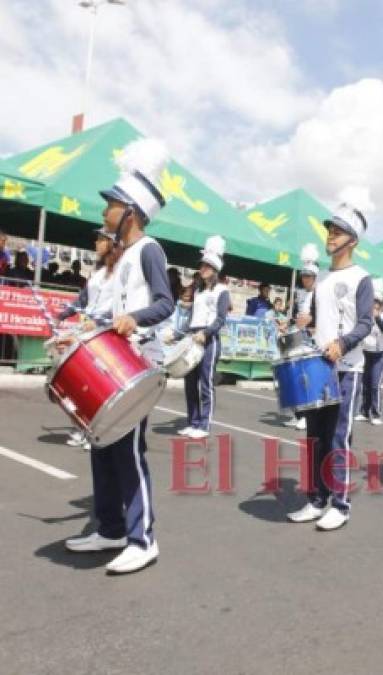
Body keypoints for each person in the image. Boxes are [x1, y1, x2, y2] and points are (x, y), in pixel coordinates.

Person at [64, 138, 174, 575]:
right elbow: (105, 312)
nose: (105, 210)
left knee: (128, 450)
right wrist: (85, 327)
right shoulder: (120, 257)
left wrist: (135, 317)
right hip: (113, 361)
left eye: (111, 204)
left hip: (138, 364)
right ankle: (110, 528)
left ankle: (142, 538)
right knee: (102, 446)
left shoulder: (150, 250)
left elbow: (166, 304)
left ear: (132, 211)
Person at [286, 204, 374, 532]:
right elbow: (317, 322)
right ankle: (316, 499)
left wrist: (343, 343)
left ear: (352, 240)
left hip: (347, 368)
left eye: (337, 231)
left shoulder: (361, 278)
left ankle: (340, 503)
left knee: (338, 437)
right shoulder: (321, 279)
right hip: (318, 367)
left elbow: (366, 323)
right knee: (315, 437)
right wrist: (307, 324)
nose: (330, 235)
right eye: (329, 230)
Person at [56, 228, 122, 450]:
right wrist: (64, 313)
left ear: (111, 244)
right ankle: (81, 427)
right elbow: (83, 299)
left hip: (104, 334)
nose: (95, 242)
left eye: (100, 239)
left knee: (96, 385)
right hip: (86, 330)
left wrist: (101, 321)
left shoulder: (122, 273)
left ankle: (94, 431)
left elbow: (123, 308)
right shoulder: (97, 272)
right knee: (79, 383)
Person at [178, 236, 229, 440]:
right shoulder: (198, 291)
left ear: (215, 268)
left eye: (207, 265)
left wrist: (205, 333)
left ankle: (205, 424)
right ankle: (193, 421)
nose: (203, 268)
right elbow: (191, 318)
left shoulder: (222, 290)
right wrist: (178, 333)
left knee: (205, 382)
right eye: (202, 265)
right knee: (189, 382)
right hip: (193, 337)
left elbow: (220, 319)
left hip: (210, 340)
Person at [281, 243, 319, 431]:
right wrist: (286, 324)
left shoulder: (319, 295)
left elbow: (319, 319)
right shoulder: (299, 294)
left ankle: (307, 415)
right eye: (304, 275)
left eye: (309, 276)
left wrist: (311, 323)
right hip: (296, 336)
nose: (305, 279)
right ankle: (298, 414)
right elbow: (295, 315)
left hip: (310, 339)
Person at [356, 277, 383, 425]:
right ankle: (364, 411)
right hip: (367, 353)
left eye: (377, 304)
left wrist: (377, 318)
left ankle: (376, 414)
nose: (374, 306)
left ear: (381, 306)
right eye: (372, 303)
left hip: (380, 355)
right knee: (365, 383)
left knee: (375, 385)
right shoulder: (365, 316)